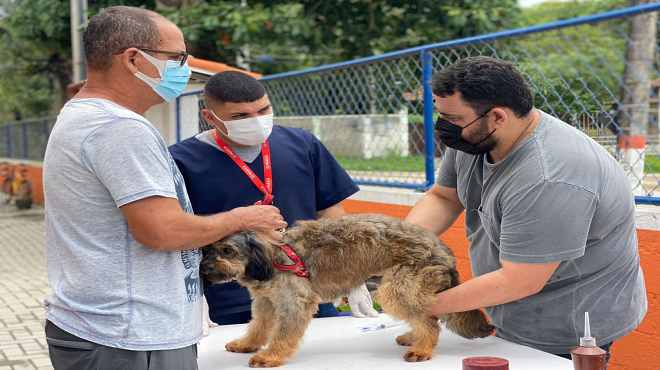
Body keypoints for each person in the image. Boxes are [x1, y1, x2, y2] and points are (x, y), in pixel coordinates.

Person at [42, 7, 285, 370]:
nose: (183, 68)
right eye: (176, 57)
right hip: (128, 340)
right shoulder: (118, 129)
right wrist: (242, 218)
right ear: (134, 59)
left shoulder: (86, 116)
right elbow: (161, 230)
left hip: (108, 329)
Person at [406, 57, 647, 361]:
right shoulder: (475, 138)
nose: (443, 128)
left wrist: (415, 304)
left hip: (566, 326)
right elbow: (443, 197)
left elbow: (519, 280)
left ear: (497, 117)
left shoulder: (550, 176)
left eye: (453, 119)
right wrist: (394, 249)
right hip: (510, 304)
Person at [170, 71, 378, 325]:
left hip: (309, 293)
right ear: (209, 117)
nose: (256, 121)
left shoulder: (302, 144)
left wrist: (350, 272)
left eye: (263, 110)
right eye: (240, 117)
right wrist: (193, 295)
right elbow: (177, 232)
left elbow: (331, 214)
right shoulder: (181, 161)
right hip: (229, 303)